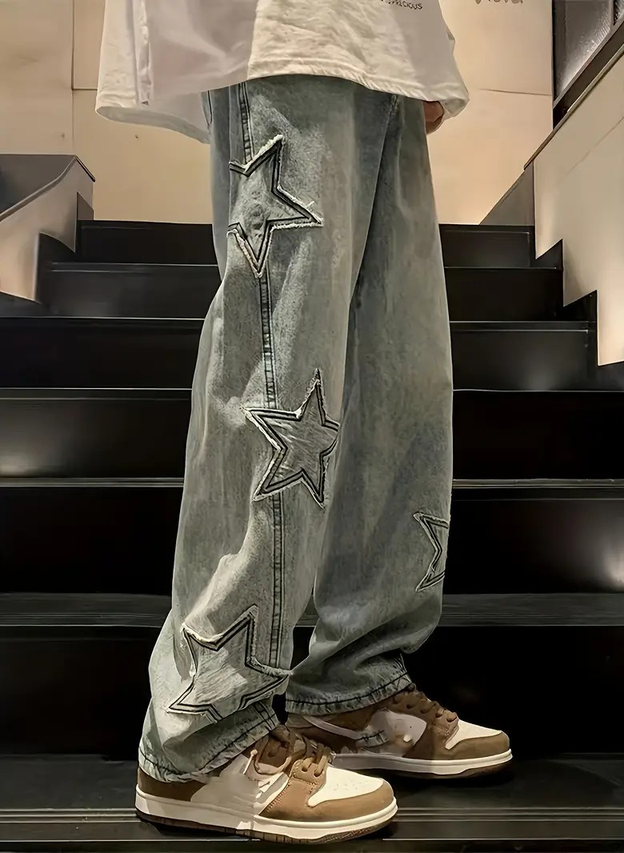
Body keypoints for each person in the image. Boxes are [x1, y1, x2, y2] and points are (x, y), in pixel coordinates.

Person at [97, 0, 511, 844]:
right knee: (279, 361)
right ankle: (200, 732)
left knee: (403, 377)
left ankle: (354, 684)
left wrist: (425, 46)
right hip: (282, 24)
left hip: (387, 43)